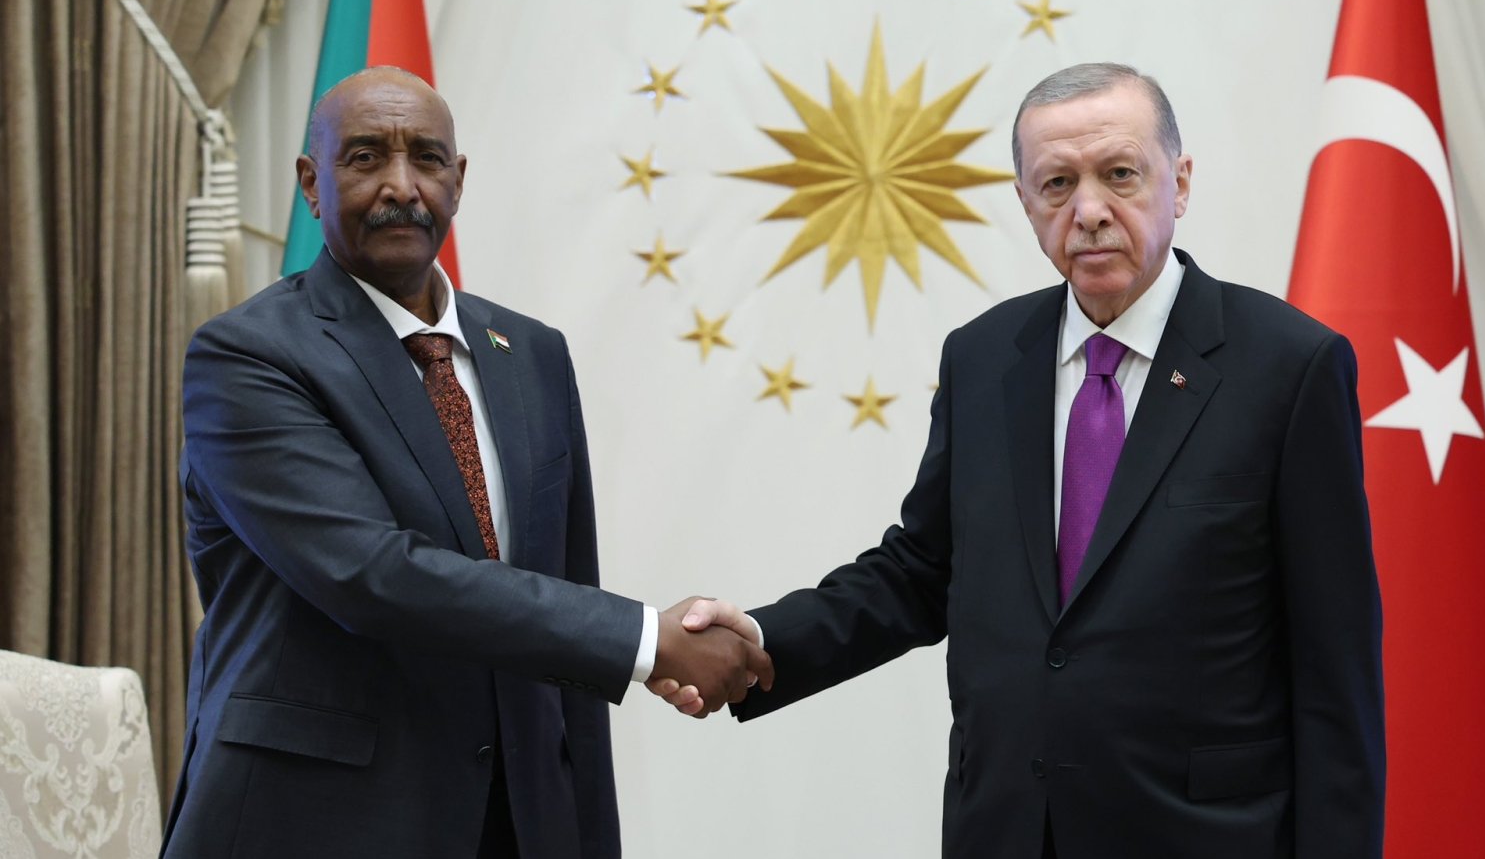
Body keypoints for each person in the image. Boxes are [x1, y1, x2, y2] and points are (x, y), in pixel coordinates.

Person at [657, 63, 1384, 857]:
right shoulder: (985, 357)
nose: (1091, 212)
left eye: (1119, 175)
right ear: (1024, 202)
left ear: (1179, 182)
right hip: (1005, 830)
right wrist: (762, 641)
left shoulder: (1288, 365)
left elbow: (1334, 669)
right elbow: (919, 572)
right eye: (1058, 184)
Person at [162, 66, 770, 859]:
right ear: (311, 184)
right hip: (312, 818)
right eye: (366, 158)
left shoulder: (531, 354)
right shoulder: (247, 356)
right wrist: (646, 640)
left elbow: (561, 587)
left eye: (426, 159)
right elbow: (372, 574)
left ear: (459, 180)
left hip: (514, 819)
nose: (401, 186)